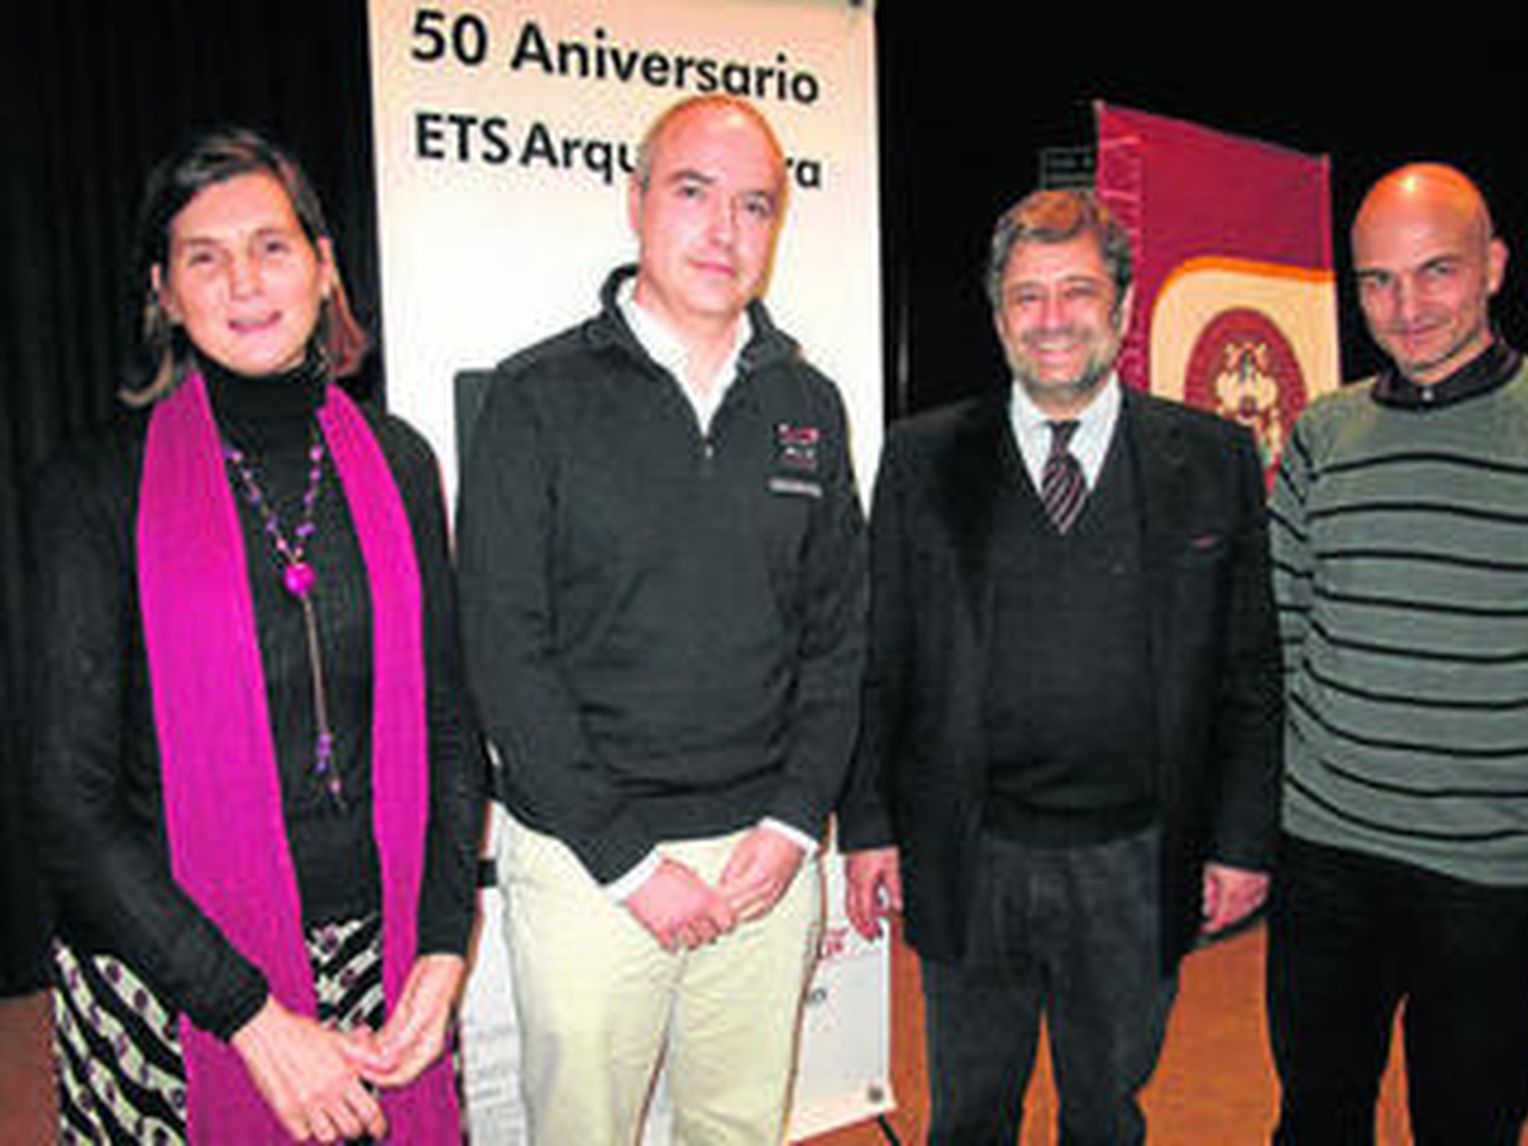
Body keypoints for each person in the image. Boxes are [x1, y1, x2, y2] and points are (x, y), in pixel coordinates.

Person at [30, 127, 485, 1143]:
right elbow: (69, 801)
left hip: (382, 957)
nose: (244, 280)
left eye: (272, 246)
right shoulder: (92, 487)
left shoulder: (401, 462)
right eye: (205, 255)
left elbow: (451, 723)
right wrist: (250, 1016)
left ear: (323, 267)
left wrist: (443, 949)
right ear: (164, 289)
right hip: (167, 970)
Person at [456, 95, 866, 1144]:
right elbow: (507, 652)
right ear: (636, 201)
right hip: (593, 868)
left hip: (763, 865)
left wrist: (790, 826)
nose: (724, 231)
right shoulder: (532, 398)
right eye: (693, 192)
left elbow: (837, 635)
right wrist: (629, 863)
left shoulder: (807, 406)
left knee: (736, 1129)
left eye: (755, 205)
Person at [838, 188, 1282, 1143]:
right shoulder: (923, 458)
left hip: (1136, 859)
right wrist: (868, 826)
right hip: (970, 853)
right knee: (968, 1113)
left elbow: (1251, 672)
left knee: (1106, 1110)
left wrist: (1243, 842)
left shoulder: (1213, 459)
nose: (1052, 321)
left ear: (1121, 308)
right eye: (1026, 296)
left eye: (1077, 292)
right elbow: (883, 657)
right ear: (997, 314)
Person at [1267, 162, 1528, 1144]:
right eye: (1376, 280)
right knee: (1316, 1120)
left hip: (1495, 878)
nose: (1404, 307)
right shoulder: (1323, 431)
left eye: (1435, 272)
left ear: (1493, 267)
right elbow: (1278, 642)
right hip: (1324, 858)